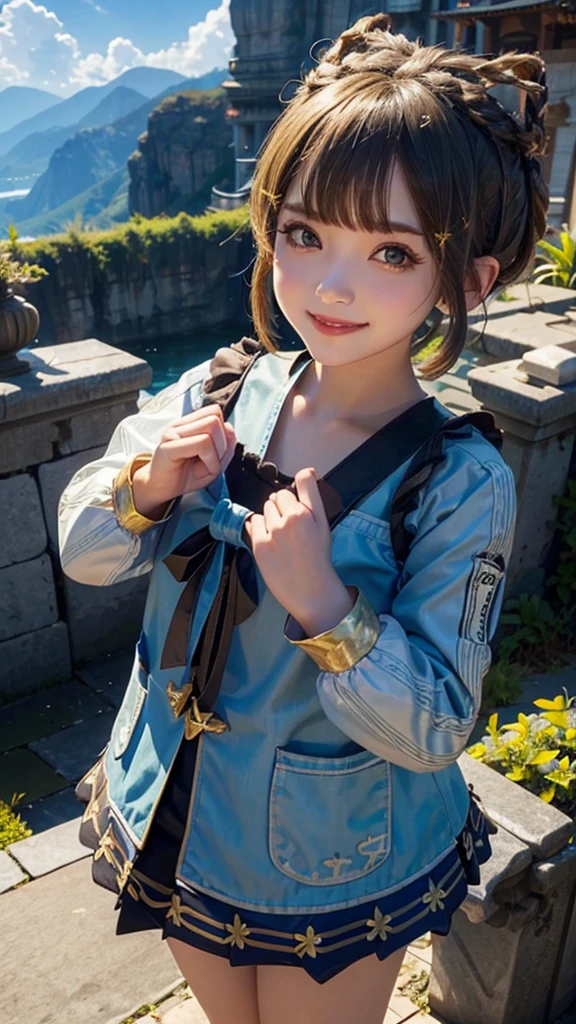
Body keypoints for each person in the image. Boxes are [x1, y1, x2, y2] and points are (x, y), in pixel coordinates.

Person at [58, 14, 548, 1024]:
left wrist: (326, 603)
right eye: (305, 234)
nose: (331, 283)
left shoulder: (455, 479)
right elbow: (83, 549)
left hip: (330, 853)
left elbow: (437, 725)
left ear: (467, 279)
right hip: (181, 806)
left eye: (391, 252)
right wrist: (145, 486)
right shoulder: (221, 383)